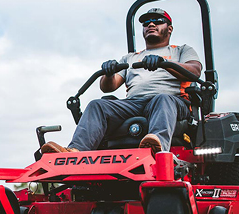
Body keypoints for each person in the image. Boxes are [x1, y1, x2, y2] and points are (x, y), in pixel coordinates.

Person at [42, 8, 202, 155]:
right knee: (97, 105)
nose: (151, 24)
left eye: (158, 21)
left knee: (162, 99)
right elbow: (108, 87)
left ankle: (156, 148)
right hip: (134, 103)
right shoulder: (130, 58)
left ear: (169, 28)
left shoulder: (181, 50)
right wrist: (109, 73)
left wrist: (164, 63)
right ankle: (76, 152)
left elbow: (194, 71)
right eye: (146, 23)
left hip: (170, 101)